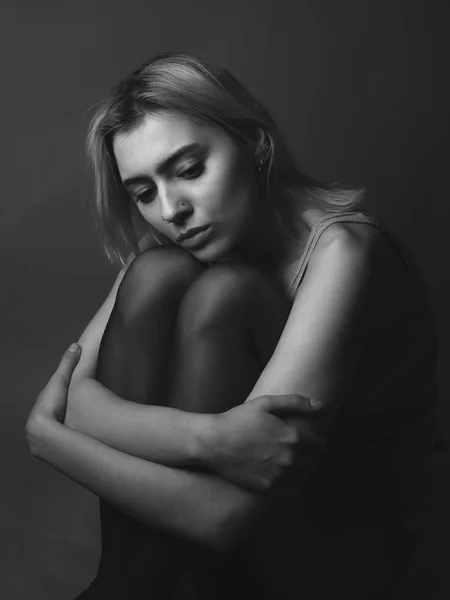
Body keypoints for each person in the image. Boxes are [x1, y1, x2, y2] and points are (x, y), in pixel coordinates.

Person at [26, 51, 438, 599]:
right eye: (143, 192)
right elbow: (77, 402)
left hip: (345, 547)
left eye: (189, 170)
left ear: (254, 144)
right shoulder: (169, 247)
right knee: (158, 271)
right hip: (212, 549)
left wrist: (49, 439)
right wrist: (213, 439)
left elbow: (219, 516)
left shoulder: (345, 252)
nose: (171, 209)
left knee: (227, 291)